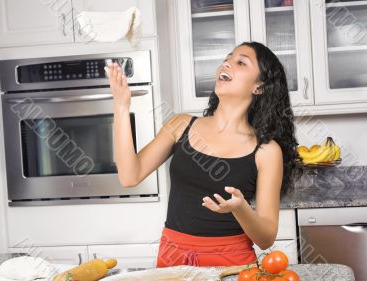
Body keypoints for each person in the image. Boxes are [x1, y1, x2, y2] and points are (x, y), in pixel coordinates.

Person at [107, 41, 302, 267]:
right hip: (174, 260)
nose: (227, 64)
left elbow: (266, 238)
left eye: (240, 62)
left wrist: (241, 208)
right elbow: (129, 176)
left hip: (231, 263)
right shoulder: (180, 125)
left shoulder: (267, 151)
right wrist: (121, 106)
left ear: (258, 86)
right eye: (227, 59)